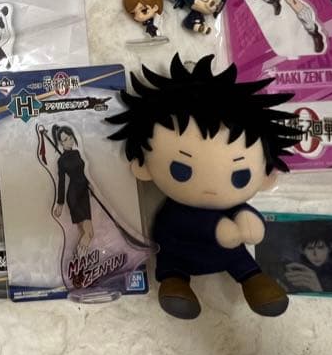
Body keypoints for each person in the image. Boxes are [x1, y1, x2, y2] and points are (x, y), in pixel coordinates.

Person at [107, 54, 302, 319]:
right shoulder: (177, 210)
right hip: (179, 252)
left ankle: (253, 279)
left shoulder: (234, 207)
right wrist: (218, 228)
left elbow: (246, 220)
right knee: (172, 266)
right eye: (182, 170)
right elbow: (181, 225)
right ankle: (176, 283)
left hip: (230, 254)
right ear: (144, 167)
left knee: (242, 260)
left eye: (240, 176)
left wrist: (249, 222)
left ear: (266, 177)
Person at [50, 126, 94, 255]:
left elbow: (82, 173)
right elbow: (61, 182)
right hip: (74, 196)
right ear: (60, 143)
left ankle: (79, 259)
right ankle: (77, 260)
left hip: (84, 193)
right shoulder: (61, 161)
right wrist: (60, 203)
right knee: (89, 233)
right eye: (65, 139)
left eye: (70, 137)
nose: (69, 141)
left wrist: (89, 184)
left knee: (84, 232)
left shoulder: (77, 153)